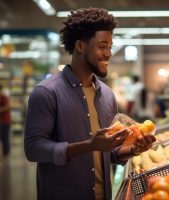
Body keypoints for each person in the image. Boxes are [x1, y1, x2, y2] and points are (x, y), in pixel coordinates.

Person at [24, 8, 156, 200]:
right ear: (79, 46)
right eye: (102, 46)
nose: (108, 53)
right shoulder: (46, 92)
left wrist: (132, 150)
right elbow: (33, 149)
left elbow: (107, 153)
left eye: (110, 47)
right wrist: (88, 145)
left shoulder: (107, 96)